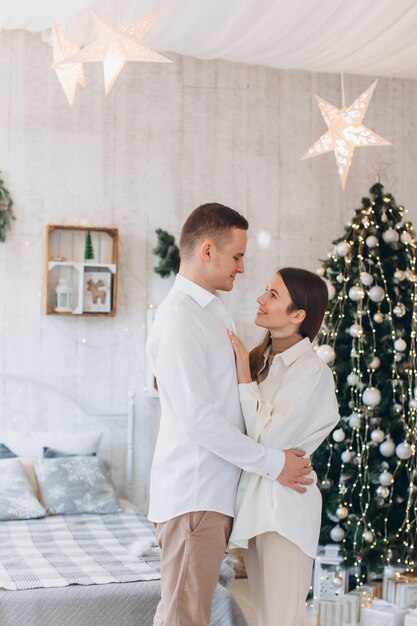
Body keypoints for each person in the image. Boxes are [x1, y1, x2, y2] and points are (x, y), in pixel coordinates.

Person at [146, 204, 314, 626]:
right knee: (185, 618)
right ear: (207, 251)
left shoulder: (210, 310)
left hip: (210, 495)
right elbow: (199, 420)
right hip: (194, 494)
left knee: (185, 612)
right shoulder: (181, 318)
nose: (242, 267)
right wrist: (275, 464)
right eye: (237, 256)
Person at [228, 267, 340, 626]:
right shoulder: (265, 360)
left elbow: (268, 438)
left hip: (287, 509)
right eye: (266, 291)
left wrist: (243, 375)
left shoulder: (312, 372)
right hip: (260, 504)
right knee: (267, 617)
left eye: (273, 295)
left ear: (298, 315)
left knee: (282, 620)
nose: (261, 299)